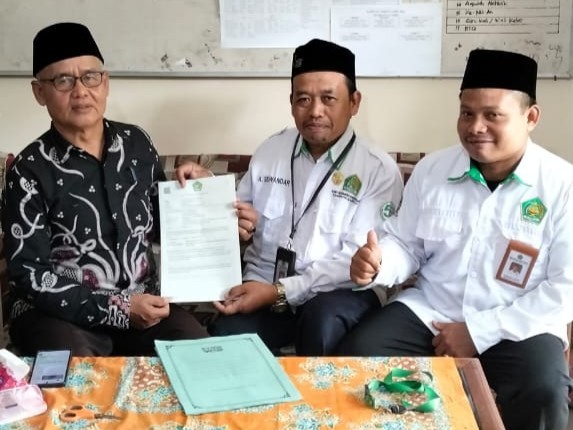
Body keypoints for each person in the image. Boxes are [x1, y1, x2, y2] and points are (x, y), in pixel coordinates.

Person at [337, 49, 573, 430]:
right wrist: (379, 264)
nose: (475, 127)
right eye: (466, 113)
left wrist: (477, 333)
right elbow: (407, 245)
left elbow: (564, 290)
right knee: (359, 354)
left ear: (530, 118)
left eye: (492, 115)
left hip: (518, 324)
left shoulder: (562, 186)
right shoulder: (433, 170)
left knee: (543, 390)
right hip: (433, 312)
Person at [1, 22, 211, 356]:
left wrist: (205, 199)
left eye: (90, 77)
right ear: (39, 92)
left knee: (195, 350)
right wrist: (117, 308)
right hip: (58, 315)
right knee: (73, 364)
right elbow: (29, 275)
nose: (80, 91)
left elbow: (164, 228)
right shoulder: (28, 170)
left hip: (143, 308)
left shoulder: (137, 144)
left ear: (106, 82)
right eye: (63, 80)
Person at [206, 39, 403, 356]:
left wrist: (278, 291)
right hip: (262, 287)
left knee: (321, 323)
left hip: (339, 292)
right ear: (291, 102)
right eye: (303, 99)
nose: (315, 112)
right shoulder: (271, 151)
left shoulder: (377, 170)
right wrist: (217, 203)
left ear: (354, 102)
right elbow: (238, 216)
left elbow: (353, 263)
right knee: (225, 335)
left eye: (328, 99)